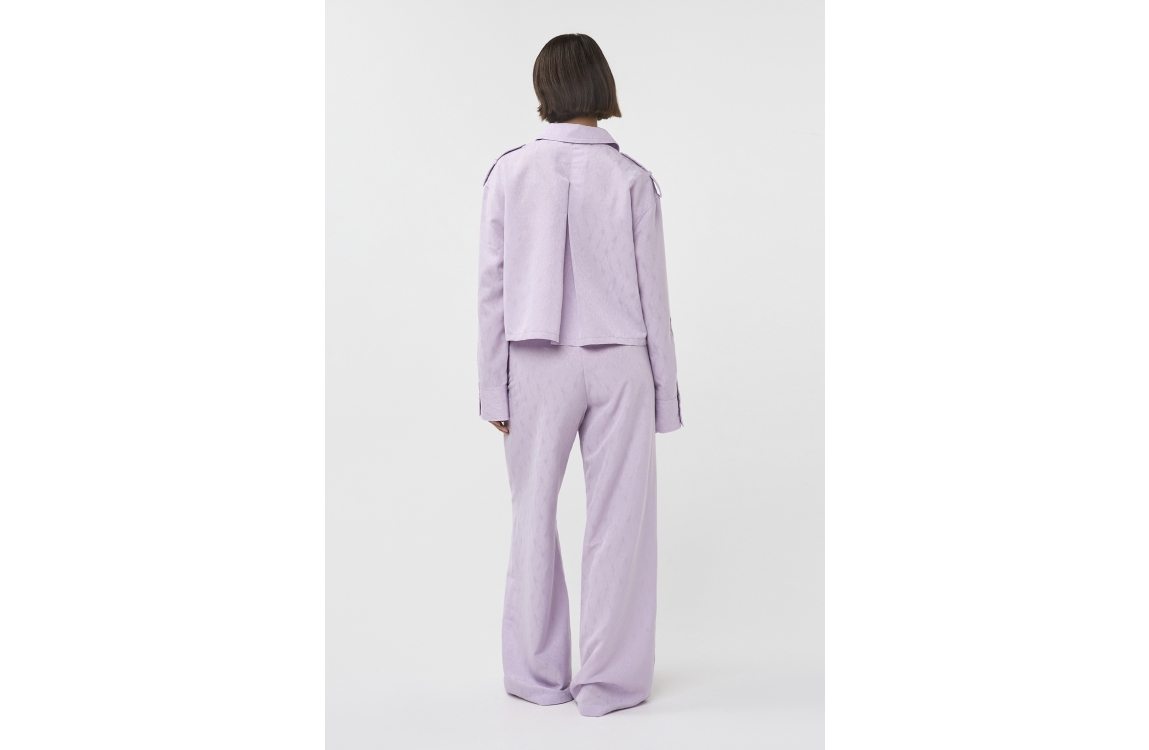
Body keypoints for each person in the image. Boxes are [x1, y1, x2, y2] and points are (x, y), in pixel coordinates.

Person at [477, 32, 683, 718]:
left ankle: (536, 676)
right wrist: (665, 397)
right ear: (602, 86)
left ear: (543, 89)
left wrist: (492, 385)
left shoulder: (509, 172)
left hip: (534, 361)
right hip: (622, 359)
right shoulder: (632, 179)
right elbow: (654, 295)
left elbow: (492, 288)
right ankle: (608, 684)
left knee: (531, 517)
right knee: (620, 523)